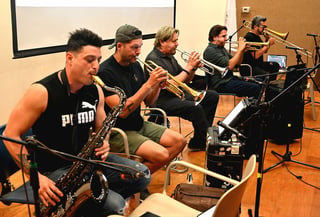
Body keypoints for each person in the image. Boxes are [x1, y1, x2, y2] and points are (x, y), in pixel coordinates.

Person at [3, 28, 150, 217]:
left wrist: (104, 142)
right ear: (69, 58)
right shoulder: (41, 92)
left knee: (141, 175)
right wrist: (37, 179)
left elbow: (101, 128)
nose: (96, 66)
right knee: (115, 205)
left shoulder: (96, 90)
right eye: (90, 60)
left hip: (87, 162)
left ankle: (85, 204)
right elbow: (10, 135)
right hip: (54, 170)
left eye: (98, 59)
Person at [98, 24, 186, 174]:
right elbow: (123, 111)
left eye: (140, 47)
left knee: (179, 142)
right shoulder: (105, 72)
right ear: (119, 46)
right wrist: (148, 84)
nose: (138, 52)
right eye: (134, 47)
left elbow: (150, 102)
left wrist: (157, 86)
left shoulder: (135, 65)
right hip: (117, 131)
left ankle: (135, 179)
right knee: (162, 154)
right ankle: (135, 182)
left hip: (138, 123)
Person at [145, 26, 219, 151]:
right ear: (162, 42)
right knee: (196, 108)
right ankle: (205, 140)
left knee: (212, 96)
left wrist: (193, 68)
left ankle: (202, 138)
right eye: (174, 41)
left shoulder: (170, 56)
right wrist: (189, 66)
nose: (177, 44)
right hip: (163, 100)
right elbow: (171, 84)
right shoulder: (153, 59)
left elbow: (186, 79)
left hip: (177, 95)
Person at [203, 24, 261, 98]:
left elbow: (237, 63)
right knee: (254, 87)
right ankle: (254, 108)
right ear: (214, 37)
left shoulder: (221, 48)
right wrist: (239, 50)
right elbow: (230, 66)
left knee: (259, 81)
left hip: (229, 79)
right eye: (223, 36)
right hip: (220, 84)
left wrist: (242, 52)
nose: (226, 39)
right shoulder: (210, 51)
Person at [241, 15, 280, 81]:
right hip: (250, 67)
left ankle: (271, 85)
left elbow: (264, 51)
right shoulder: (249, 37)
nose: (265, 29)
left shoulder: (257, 37)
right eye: (263, 27)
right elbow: (255, 56)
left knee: (275, 65)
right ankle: (266, 87)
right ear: (256, 27)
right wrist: (268, 44)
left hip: (258, 64)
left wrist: (267, 40)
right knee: (266, 76)